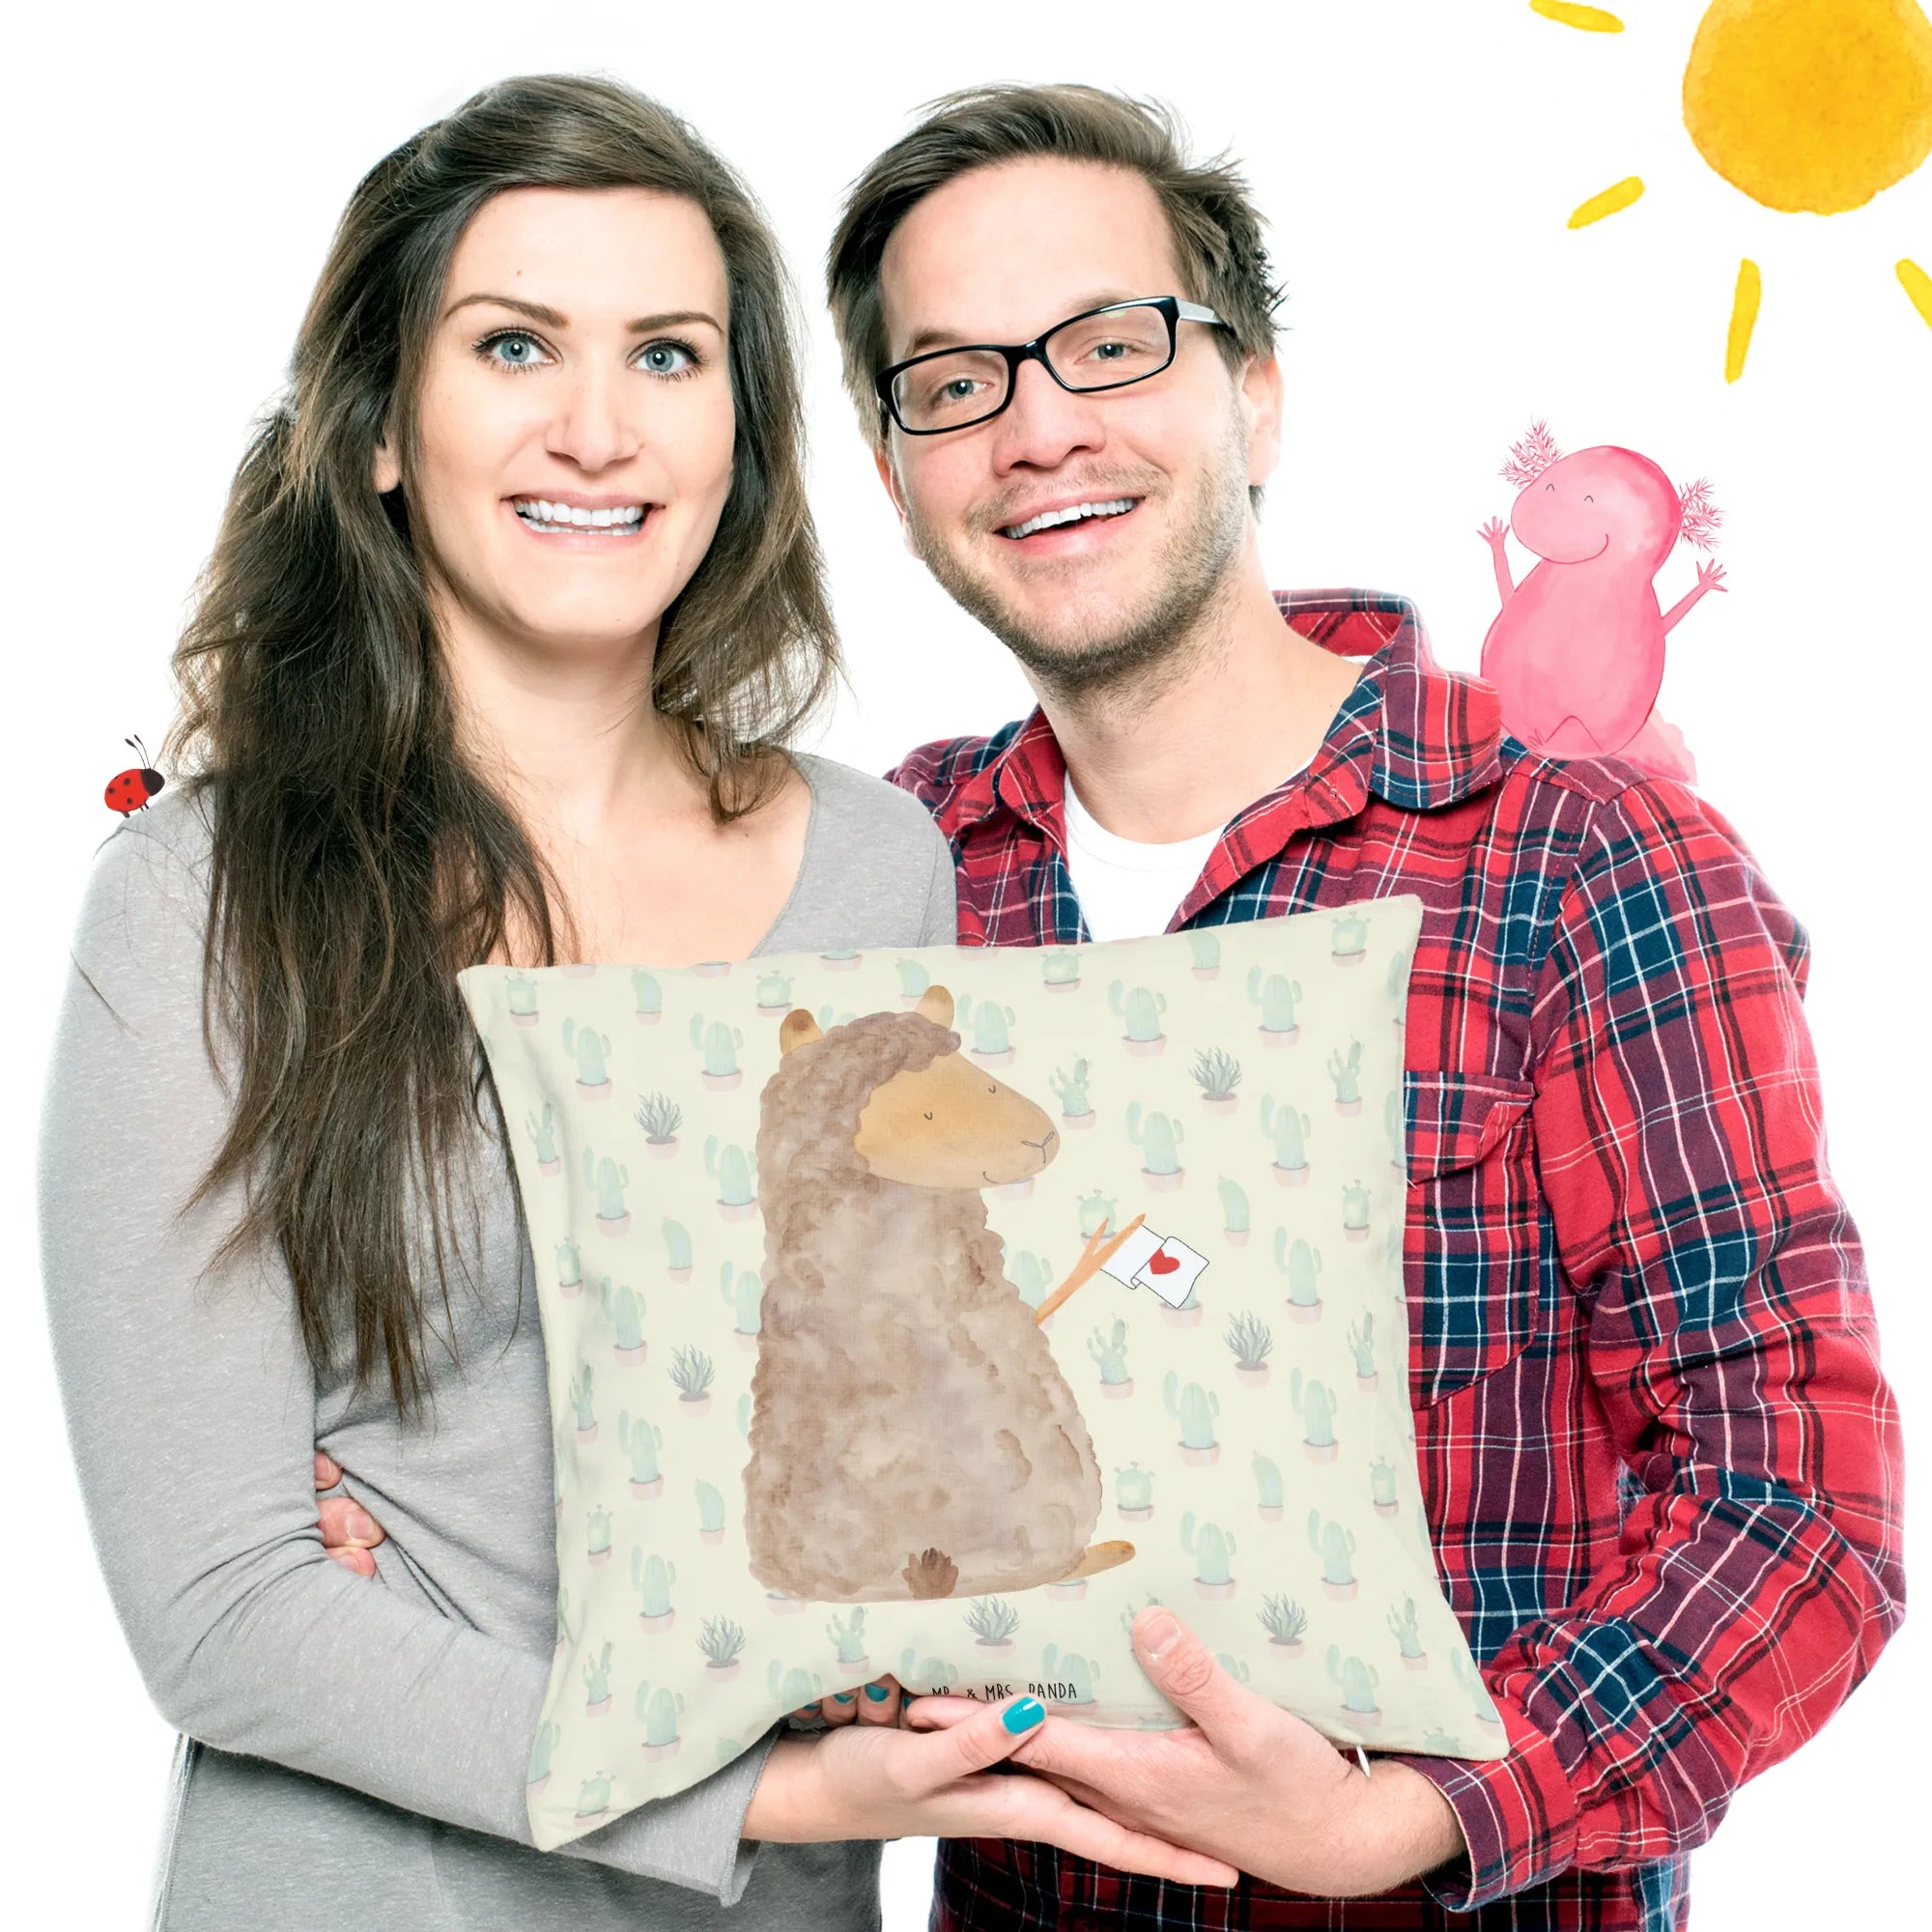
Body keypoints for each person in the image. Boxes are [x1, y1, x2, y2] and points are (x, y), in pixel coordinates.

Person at [38, 74, 1239, 1932]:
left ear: (740, 434)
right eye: (514, 344)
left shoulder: (882, 870)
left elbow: (909, 1408)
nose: (597, 430)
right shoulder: (203, 899)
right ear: (381, 425)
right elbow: (219, 1611)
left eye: (668, 355)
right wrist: (766, 1786)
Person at [826, 85, 1901, 1928]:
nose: (1039, 426)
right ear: (895, 470)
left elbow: (1799, 1514)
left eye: (1108, 342)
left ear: (1254, 394)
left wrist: (1409, 1815)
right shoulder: (889, 872)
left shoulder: (1583, 859)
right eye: (954, 380)